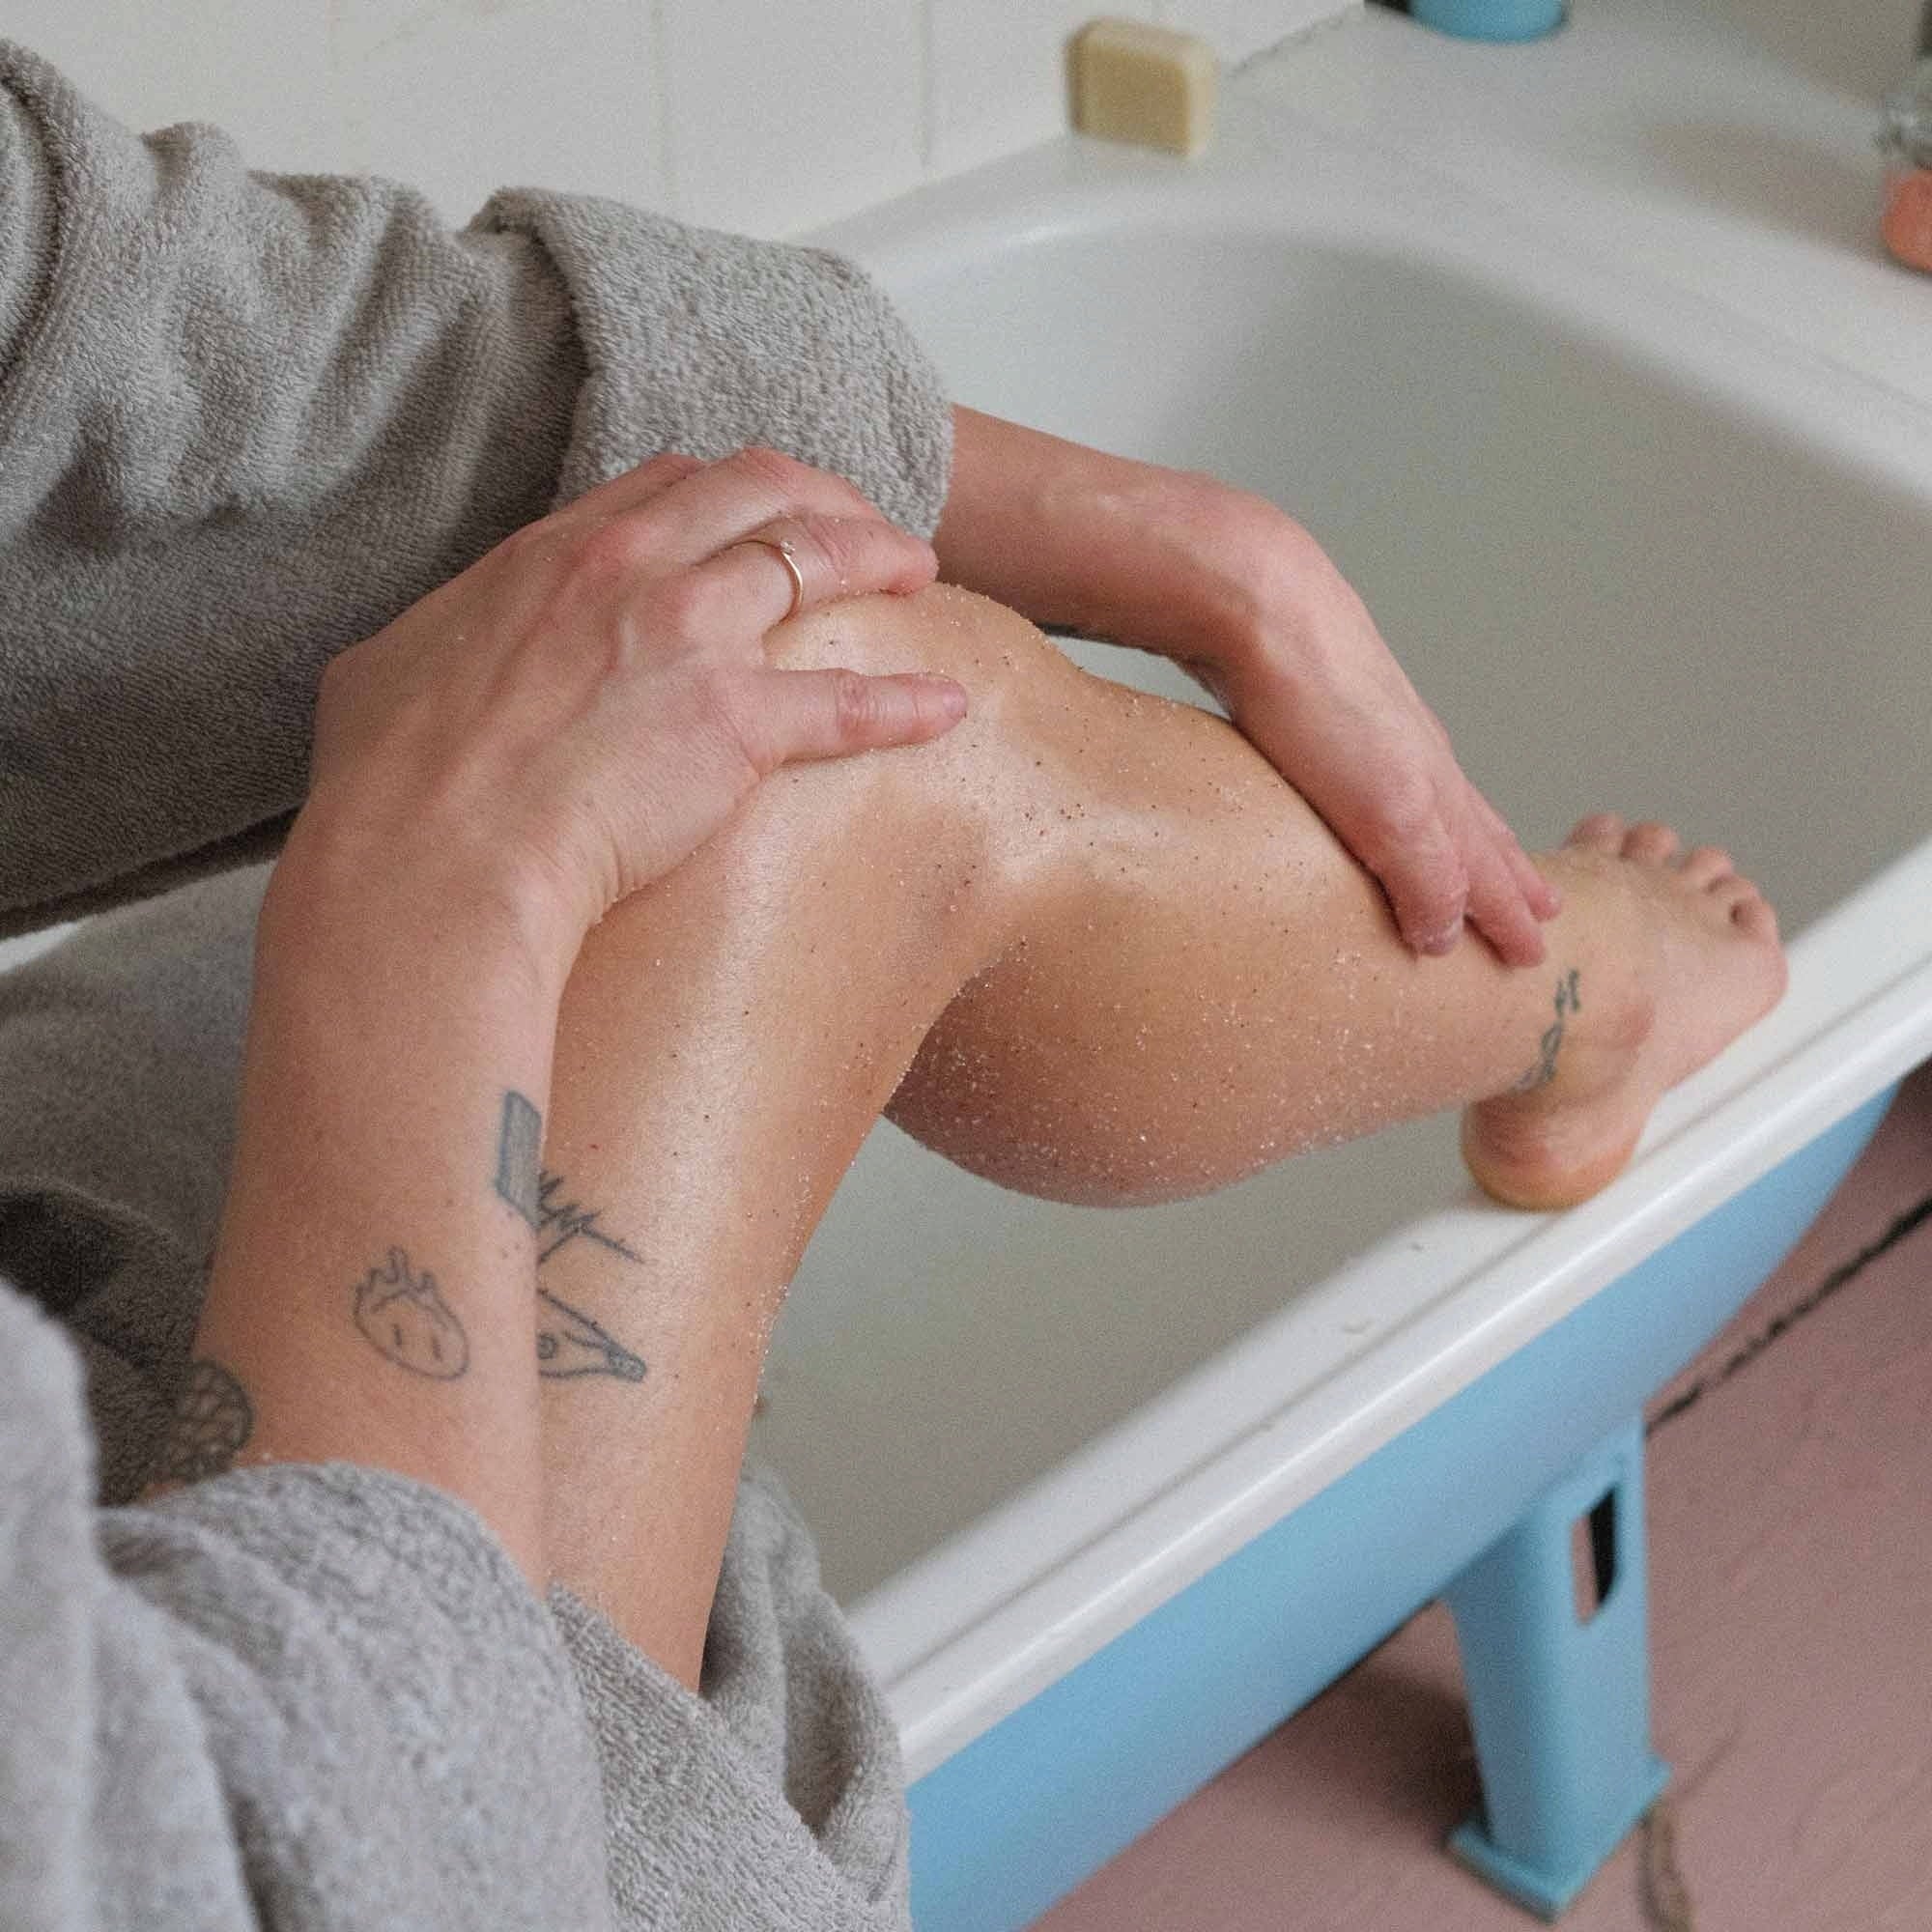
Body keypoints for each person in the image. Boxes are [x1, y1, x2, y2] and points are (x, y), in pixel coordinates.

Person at [0, 39, 1786, 1931]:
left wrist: (1186, 553)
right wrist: (428, 913)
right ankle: (1573, 1001)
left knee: (731, 686)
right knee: (825, 754)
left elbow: (82, 326)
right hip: (382, 1818)